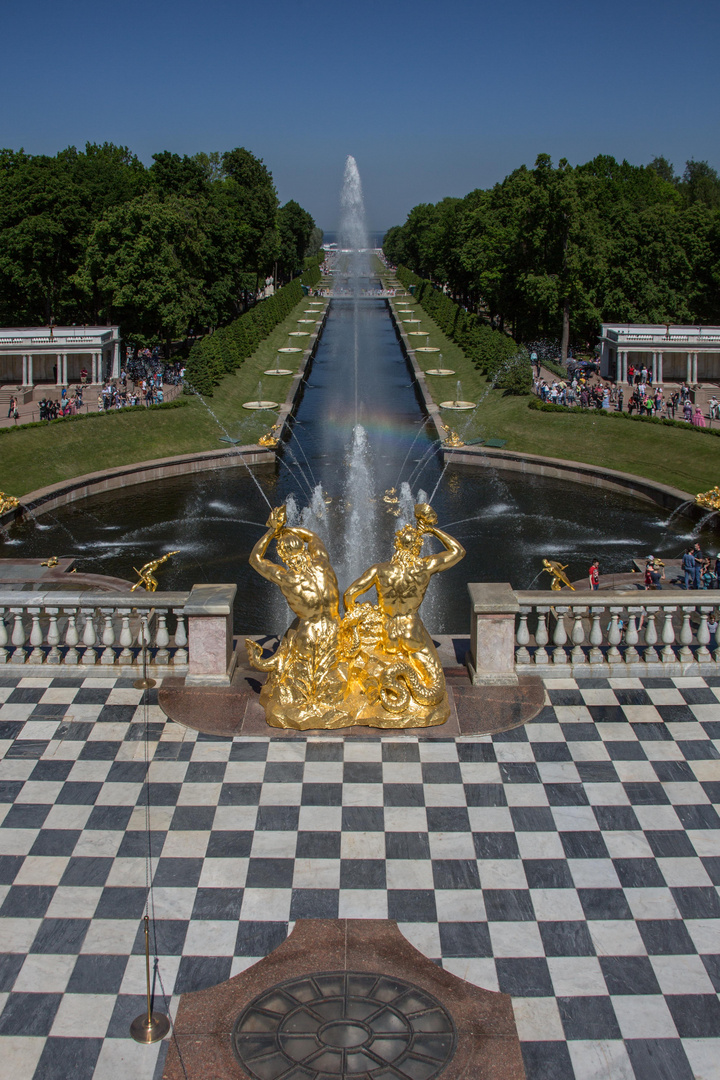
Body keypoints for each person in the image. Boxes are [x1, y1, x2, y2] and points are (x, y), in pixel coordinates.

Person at [343, 504, 465, 709]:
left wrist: (355, 618)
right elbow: (458, 551)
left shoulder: (379, 570)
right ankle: (399, 689)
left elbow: (349, 594)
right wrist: (432, 530)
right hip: (412, 630)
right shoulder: (424, 567)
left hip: (386, 631)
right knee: (435, 683)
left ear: (397, 544)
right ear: (417, 547)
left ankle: (388, 687)